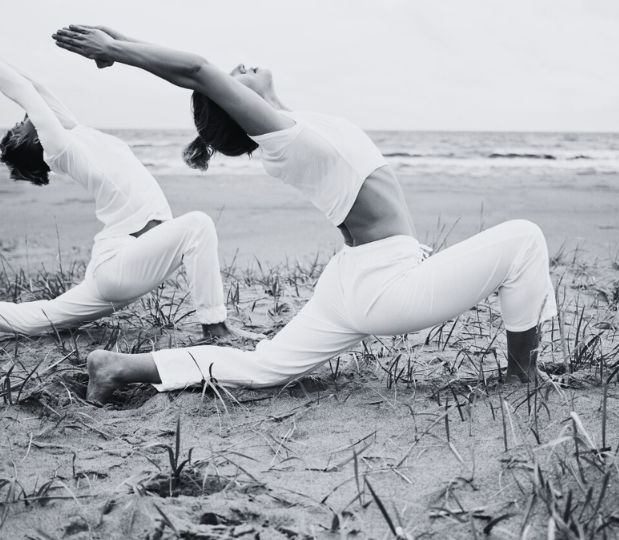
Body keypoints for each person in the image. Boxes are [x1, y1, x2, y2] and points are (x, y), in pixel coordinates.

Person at [51, 25, 558, 402]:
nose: (239, 67)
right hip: (385, 283)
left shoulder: (293, 124)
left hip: (351, 281)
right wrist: (116, 52)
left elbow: (204, 77)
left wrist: (116, 42)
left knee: (264, 367)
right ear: (234, 106)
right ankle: (522, 378)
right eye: (233, 80)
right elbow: (198, 72)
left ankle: (118, 368)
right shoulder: (283, 142)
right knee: (525, 239)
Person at [0, 21, 258, 341]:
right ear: (32, 143)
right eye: (20, 127)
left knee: (42, 318)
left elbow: (33, 85)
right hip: (119, 264)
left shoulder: (75, 134)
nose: (23, 120)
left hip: (131, 258)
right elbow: (21, 92)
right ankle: (215, 328)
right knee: (197, 225)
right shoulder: (60, 149)